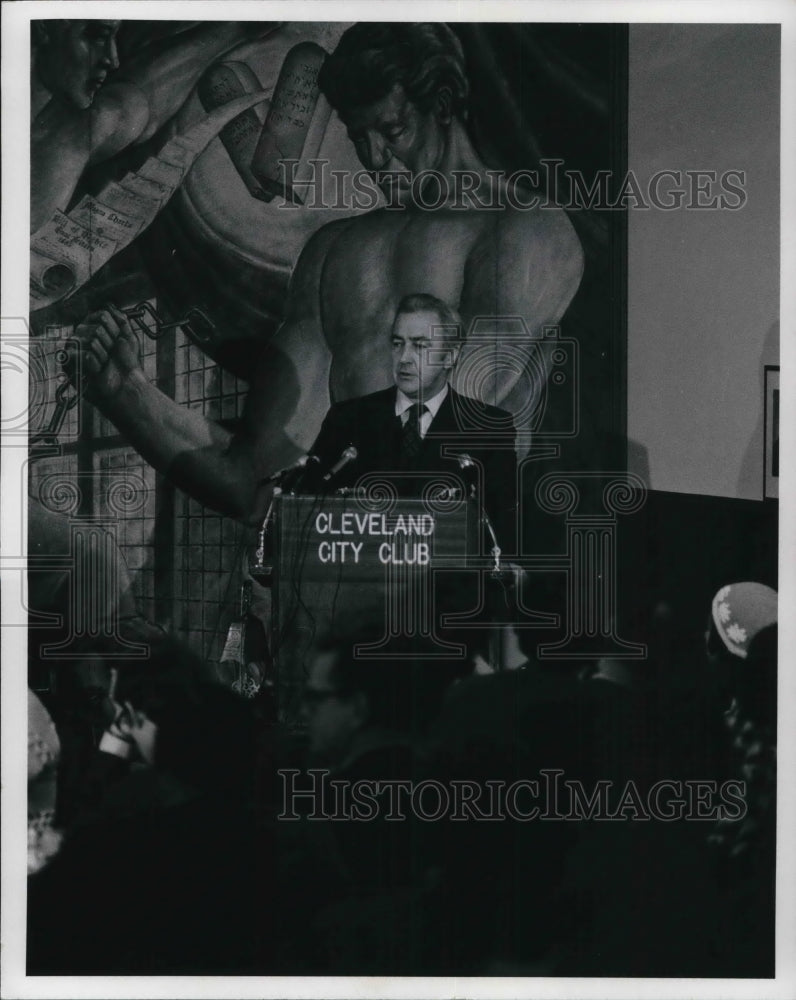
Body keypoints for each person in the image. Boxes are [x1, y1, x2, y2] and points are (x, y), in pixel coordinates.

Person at [71, 22, 584, 525]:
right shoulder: (333, 250)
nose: (376, 159)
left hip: (447, 577)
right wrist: (127, 391)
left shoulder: (523, 232)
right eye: (360, 137)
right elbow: (253, 483)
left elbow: (444, 446)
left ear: (443, 108)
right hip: (331, 565)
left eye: (393, 130)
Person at [307, 293, 517, 552]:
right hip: (360, 580)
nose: (404, 358)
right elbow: (307, 506)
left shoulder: (487, 428)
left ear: (450, 356)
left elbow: (503, 526)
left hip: (449, 586)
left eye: (419, 346)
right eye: (397, 344)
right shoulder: (348, 419)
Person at [31, 19, 279, 231]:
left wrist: (237, 29)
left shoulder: (61, 135)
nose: (112, 60)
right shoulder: (52, 146)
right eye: (95, 36)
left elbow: (123, 110)